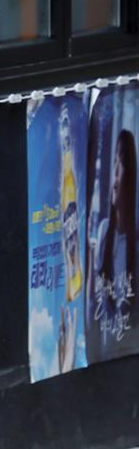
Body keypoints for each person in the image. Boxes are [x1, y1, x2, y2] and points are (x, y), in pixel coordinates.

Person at [88, 128, 137, 362]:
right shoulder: (104, 230)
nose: (116, 169)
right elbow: (94, 302)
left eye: (122, 161)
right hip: (101, 357)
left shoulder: (135, 243)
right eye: (115, 160)